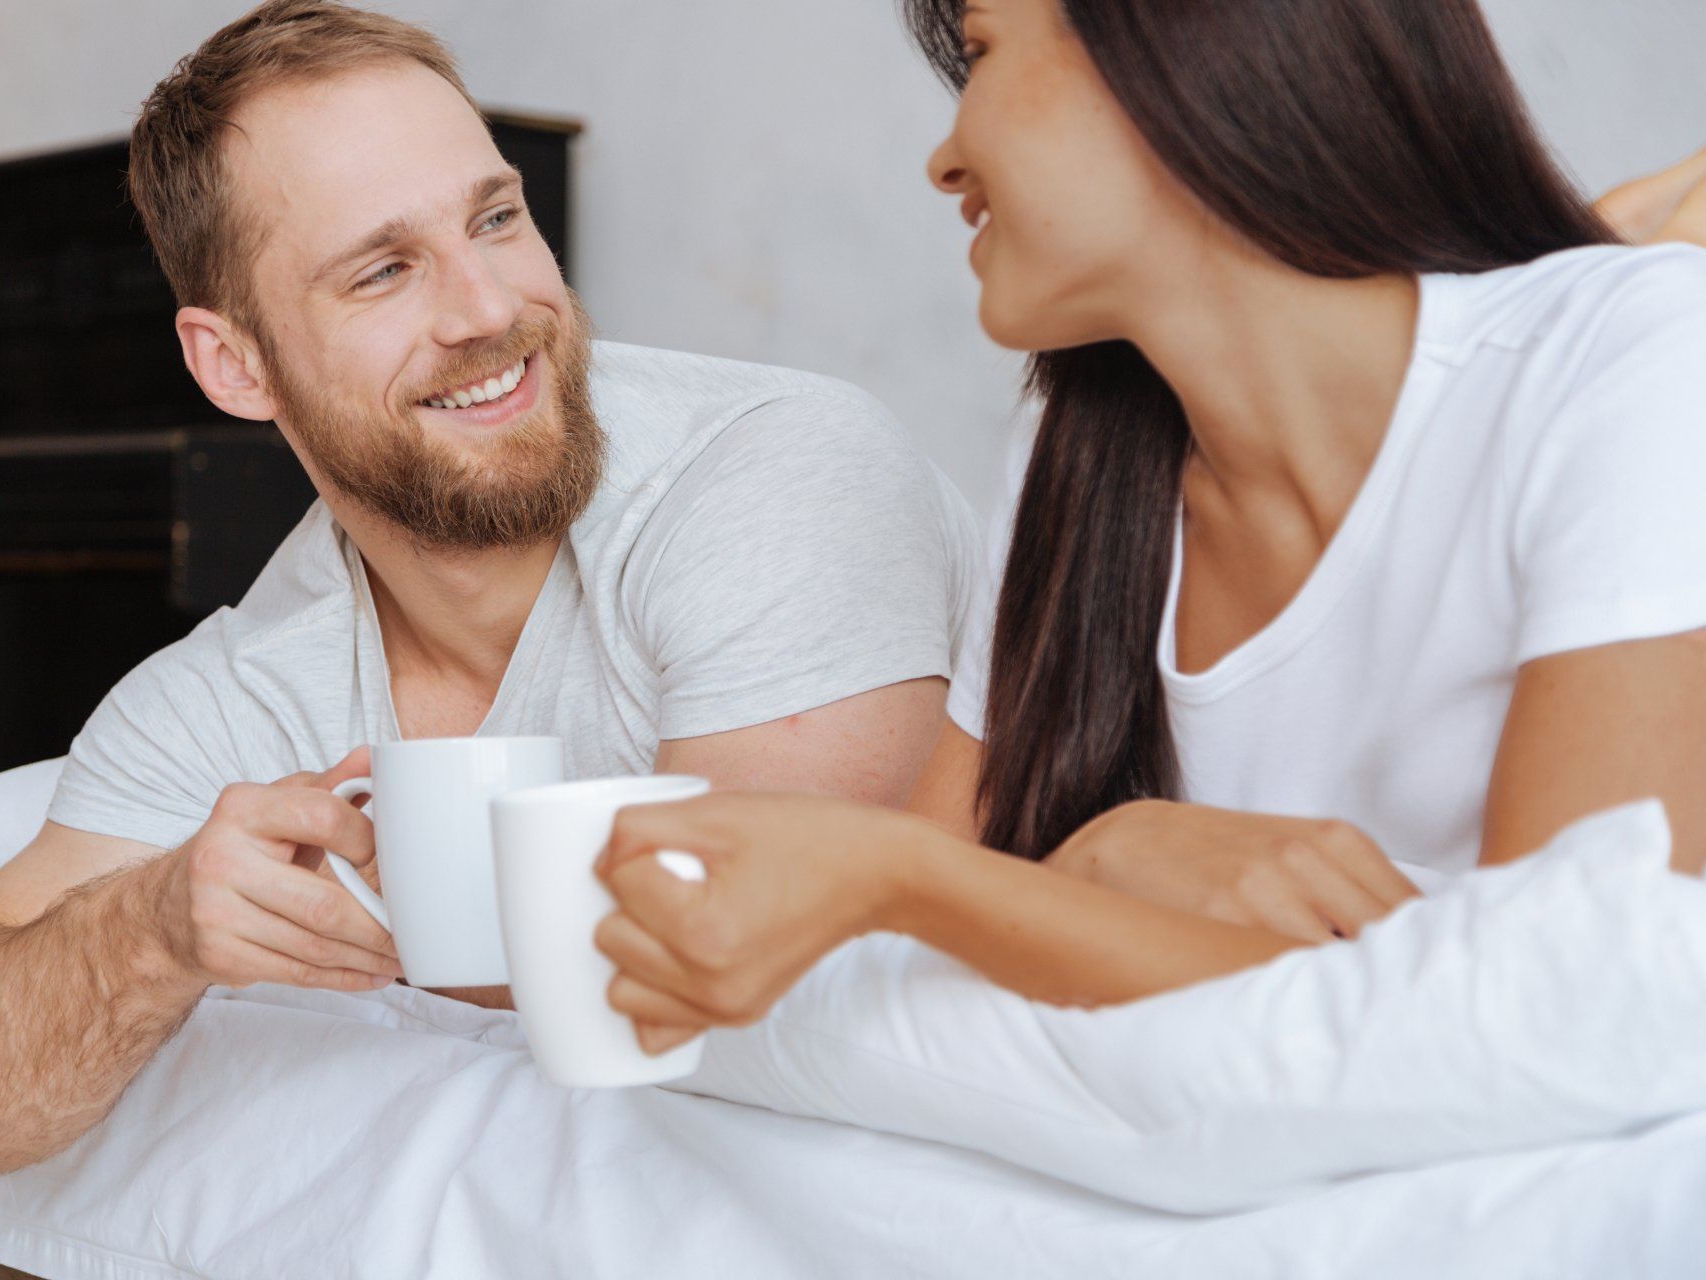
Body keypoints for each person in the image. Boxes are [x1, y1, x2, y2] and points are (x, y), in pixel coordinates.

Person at [0, 0, 981, 1185]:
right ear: (237, 362)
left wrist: (404, 923)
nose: (489, 310)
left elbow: (744, 975)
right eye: (383, 270)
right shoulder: (256, 679)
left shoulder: (775, 471)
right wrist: (156, 925)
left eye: (497, 219)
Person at [593, 0, 1706, 1054]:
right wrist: (1090, 862)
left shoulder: (1632, 358)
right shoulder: (1076, 463)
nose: (945, 159)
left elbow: (1565, 1006)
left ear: (1170, 48)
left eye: (979, 52)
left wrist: (930, 876)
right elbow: (897, 975)